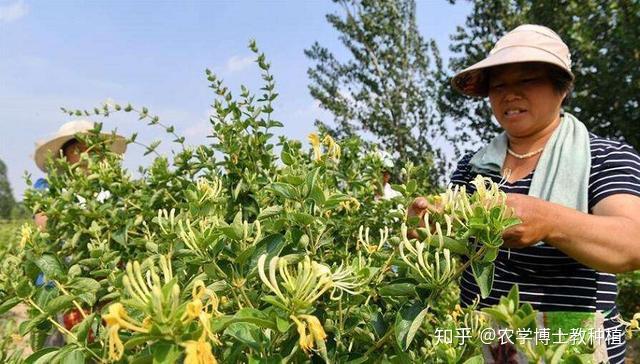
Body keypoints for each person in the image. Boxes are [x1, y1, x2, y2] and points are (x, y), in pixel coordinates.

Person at [409, 24, 640, 363]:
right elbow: (461, 253)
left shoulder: (604, 157)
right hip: (490, 345)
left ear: (561, 89)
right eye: (499, 85)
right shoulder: (473, 167)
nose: (509, 94)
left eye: (527, 80)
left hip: (570, 347)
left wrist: (549, 221)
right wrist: (431, 230)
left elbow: (632, 243)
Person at [31, 119, 126, 346]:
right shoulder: (49, 188)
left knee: (105, 346)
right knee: (65, 345)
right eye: (78, 148)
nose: (87, 154)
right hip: (64, 286)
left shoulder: (112, 191)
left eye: (93, 149)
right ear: (64, 156)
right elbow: (44, 226)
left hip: (104, 285)